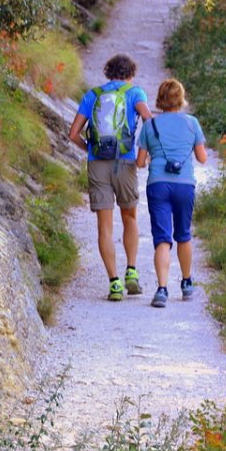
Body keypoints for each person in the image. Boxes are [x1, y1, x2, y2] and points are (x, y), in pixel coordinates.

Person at [68, 54, 152, 301]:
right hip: (125, 162)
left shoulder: (92, 95)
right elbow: (148, 118)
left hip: (98, 164)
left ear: (108, 72)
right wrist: (143, 151)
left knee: (104, 226)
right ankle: (132, 272)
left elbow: (73, 133)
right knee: (130, 217)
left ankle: (114, 283)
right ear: (130, 74)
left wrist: (90, 149)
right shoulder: (135, 92)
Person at [136, 78, 208, 308]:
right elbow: (203, 158)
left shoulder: (150, 126)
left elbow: (140, 162)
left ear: (160, 98)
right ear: (181, 98)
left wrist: (154, 156)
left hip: (158, 184)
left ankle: (162, 289)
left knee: (162, 239)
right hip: (185, 184)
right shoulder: (192, 123)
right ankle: (187, 284)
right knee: (183, 234)